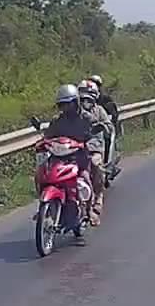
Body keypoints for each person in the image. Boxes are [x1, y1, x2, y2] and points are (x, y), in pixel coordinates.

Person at [43, 83, 102, 225]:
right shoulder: (57, 121)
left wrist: (89, 145)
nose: (65, 108)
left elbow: (96, 136)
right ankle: (45, 206)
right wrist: (42, 143)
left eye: (67, 104)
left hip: (79, 156)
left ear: (75, 102)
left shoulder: (87, 118)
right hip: (60, 156)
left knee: (87, 176)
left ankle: (90, 209)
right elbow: (48, 136)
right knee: (43, 174)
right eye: (62, 105)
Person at [89, 74, 122, 180]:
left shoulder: (105, 100)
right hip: (86, 132)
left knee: (106, 140)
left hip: (101, 131)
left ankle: (107, 165)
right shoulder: (82, 102)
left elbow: (113, 114)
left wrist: (106, 124)